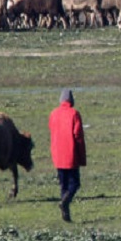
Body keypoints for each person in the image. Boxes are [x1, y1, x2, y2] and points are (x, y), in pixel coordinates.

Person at [49, 88, 86, 222]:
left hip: (58, 154)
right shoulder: (74, 114)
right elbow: (78, 136)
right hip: (71, 154)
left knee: (63, 184)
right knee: (74, 183)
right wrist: (81, 155)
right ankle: (65, 202)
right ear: (72, 100)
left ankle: (66, 215)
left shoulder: (53, 114)